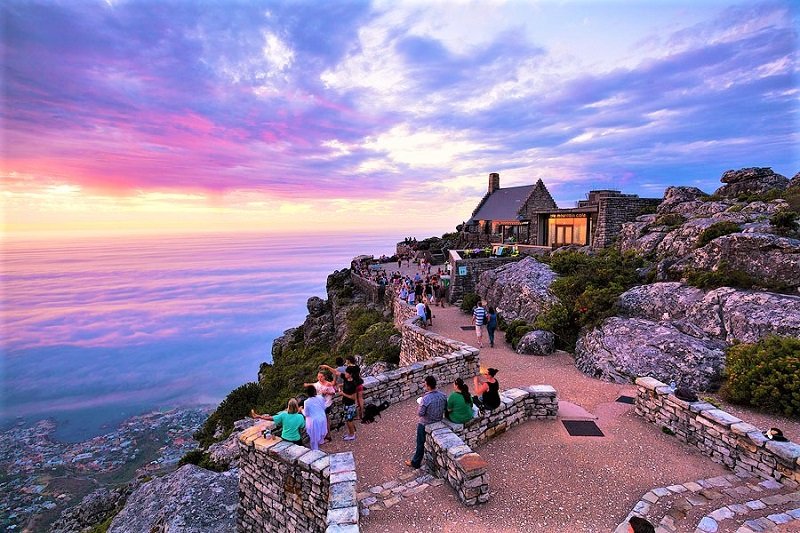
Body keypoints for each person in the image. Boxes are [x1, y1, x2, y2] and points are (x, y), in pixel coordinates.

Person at [405, 375, 447, 469]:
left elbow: (420, 413)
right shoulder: (443, 395)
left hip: (425, 423)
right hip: (438, 420)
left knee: (420, 442)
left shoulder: (425, 399)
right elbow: (445, 408)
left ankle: (415, 462)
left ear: (428, 386)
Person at [304, 371, 336, 442]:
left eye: (321, 376)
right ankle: (323, 435)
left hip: (327, 404)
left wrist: (327, 392)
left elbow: (333, 393)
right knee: (322, 420)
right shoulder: (317, 384)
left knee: (326, 420)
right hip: (320, 405)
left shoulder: (328, 384)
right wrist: (306, 384)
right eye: (318, 377)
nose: (319, 378)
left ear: (324, 377)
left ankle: (328, 436)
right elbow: (313, 384)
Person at [301, 385, 328, 450]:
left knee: (313, 437)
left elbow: (306, 414)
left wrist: (301, 410)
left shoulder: (306, 402)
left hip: (314, 421)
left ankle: (315, 449)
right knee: (321, 433)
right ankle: (321, 441)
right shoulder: (320, 397)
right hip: (322, 418)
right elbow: (324, 407)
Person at [339, 366, 359, 440]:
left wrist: (343, 394)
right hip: (346, 403)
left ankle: (352, 435)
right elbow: (336, 372)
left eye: (347, 373)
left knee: (349, 420)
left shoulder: (353, 384)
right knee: (348, 419)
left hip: (350, 404)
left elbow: (353, 397)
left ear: (350, 374)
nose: (345, 373)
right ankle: (352, 432)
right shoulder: (346, 379)